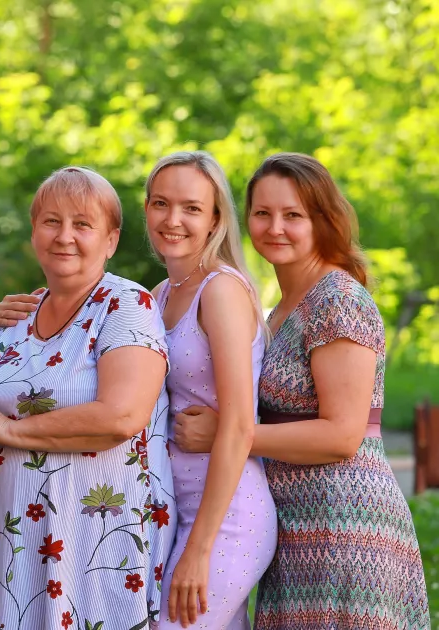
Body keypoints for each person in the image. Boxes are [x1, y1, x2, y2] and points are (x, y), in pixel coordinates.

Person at [173, 153, 429, 629]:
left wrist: (228, 434)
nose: (275, 228)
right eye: (262, 213)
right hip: (295, 529)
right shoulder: (279, 308)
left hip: (346, 527)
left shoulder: (338, 299)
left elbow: (342, 436)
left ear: (323, 220)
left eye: (293, 215)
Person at [0, 167, 170, 629]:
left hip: (98, 544)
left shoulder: (126, 304)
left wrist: (5, 429)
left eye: (82, 224)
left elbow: (121, 417)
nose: (64, 236)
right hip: (17, 546)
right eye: (51, 221)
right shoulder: (14, 321)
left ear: (110, 240)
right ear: (34, 232)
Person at [142, 152, 276, 629]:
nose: (172, 219)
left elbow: (240, 426)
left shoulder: (220, 291)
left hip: (228, 515)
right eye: (161, 203)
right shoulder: (159, 294)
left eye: (192, 208)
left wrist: (199, 549)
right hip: (177, 509)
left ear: (216, 219)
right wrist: (35, 305)